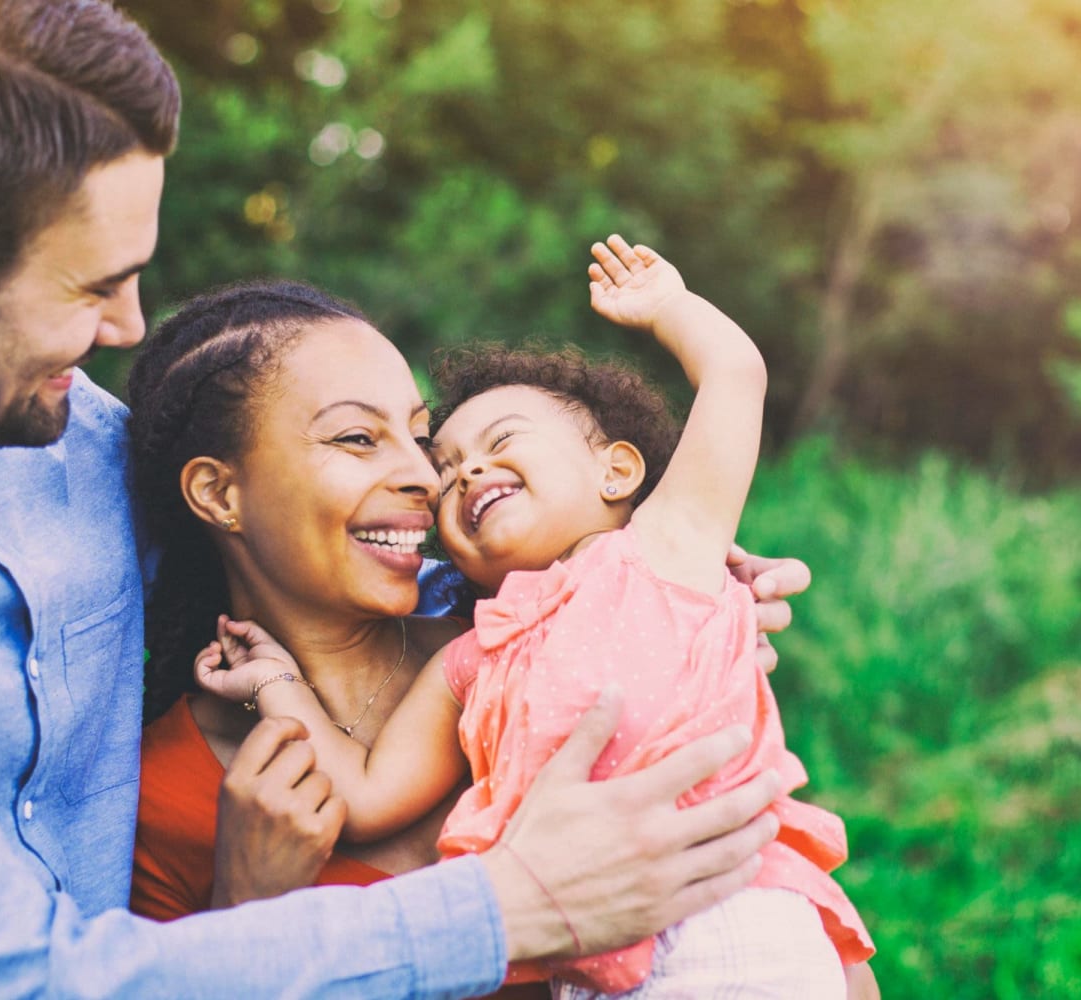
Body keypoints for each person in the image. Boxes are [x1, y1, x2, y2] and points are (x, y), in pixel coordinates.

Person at [0, 2, 802, 995]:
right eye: (95, 286)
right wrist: (514, 904)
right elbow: (24, 979)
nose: (127, 328)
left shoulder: (63, 436)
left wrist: (631, 576)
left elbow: (327, 541)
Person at [203, 237, 874, 996]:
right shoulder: (472, 659)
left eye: (500, 443)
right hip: (585, 965)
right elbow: (363, 795)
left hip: (729, 915)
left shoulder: (666, 549)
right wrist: (278, 683)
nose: (466, 473)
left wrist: (668, 308)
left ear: (617, 471)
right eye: (448, 469)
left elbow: (735, 373)